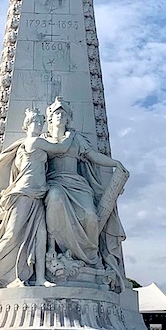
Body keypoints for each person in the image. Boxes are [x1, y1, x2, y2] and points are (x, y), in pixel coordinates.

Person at [0, 108, 72, 304]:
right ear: (27, 126)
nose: (39, 126)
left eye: (41, 122)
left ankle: (40, 278)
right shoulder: (34, 141)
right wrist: (68, 134)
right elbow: (61, 148)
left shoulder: (30, 146)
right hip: (23, 194)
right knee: (11, 235)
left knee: (40, 236)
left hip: (38, 194)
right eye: (36, 123)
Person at [42, 97, 127, 287]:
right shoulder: (43, 140)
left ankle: (89, 256)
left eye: (63, 113)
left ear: (69, 118)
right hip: (55, 182)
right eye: (57, 113)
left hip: (77, 184)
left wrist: (115, 163)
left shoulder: (75, 138)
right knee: (55, 198)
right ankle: (51, 248)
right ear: (50, 118)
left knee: (90, 216)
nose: (60, 116)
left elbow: (93, 156)